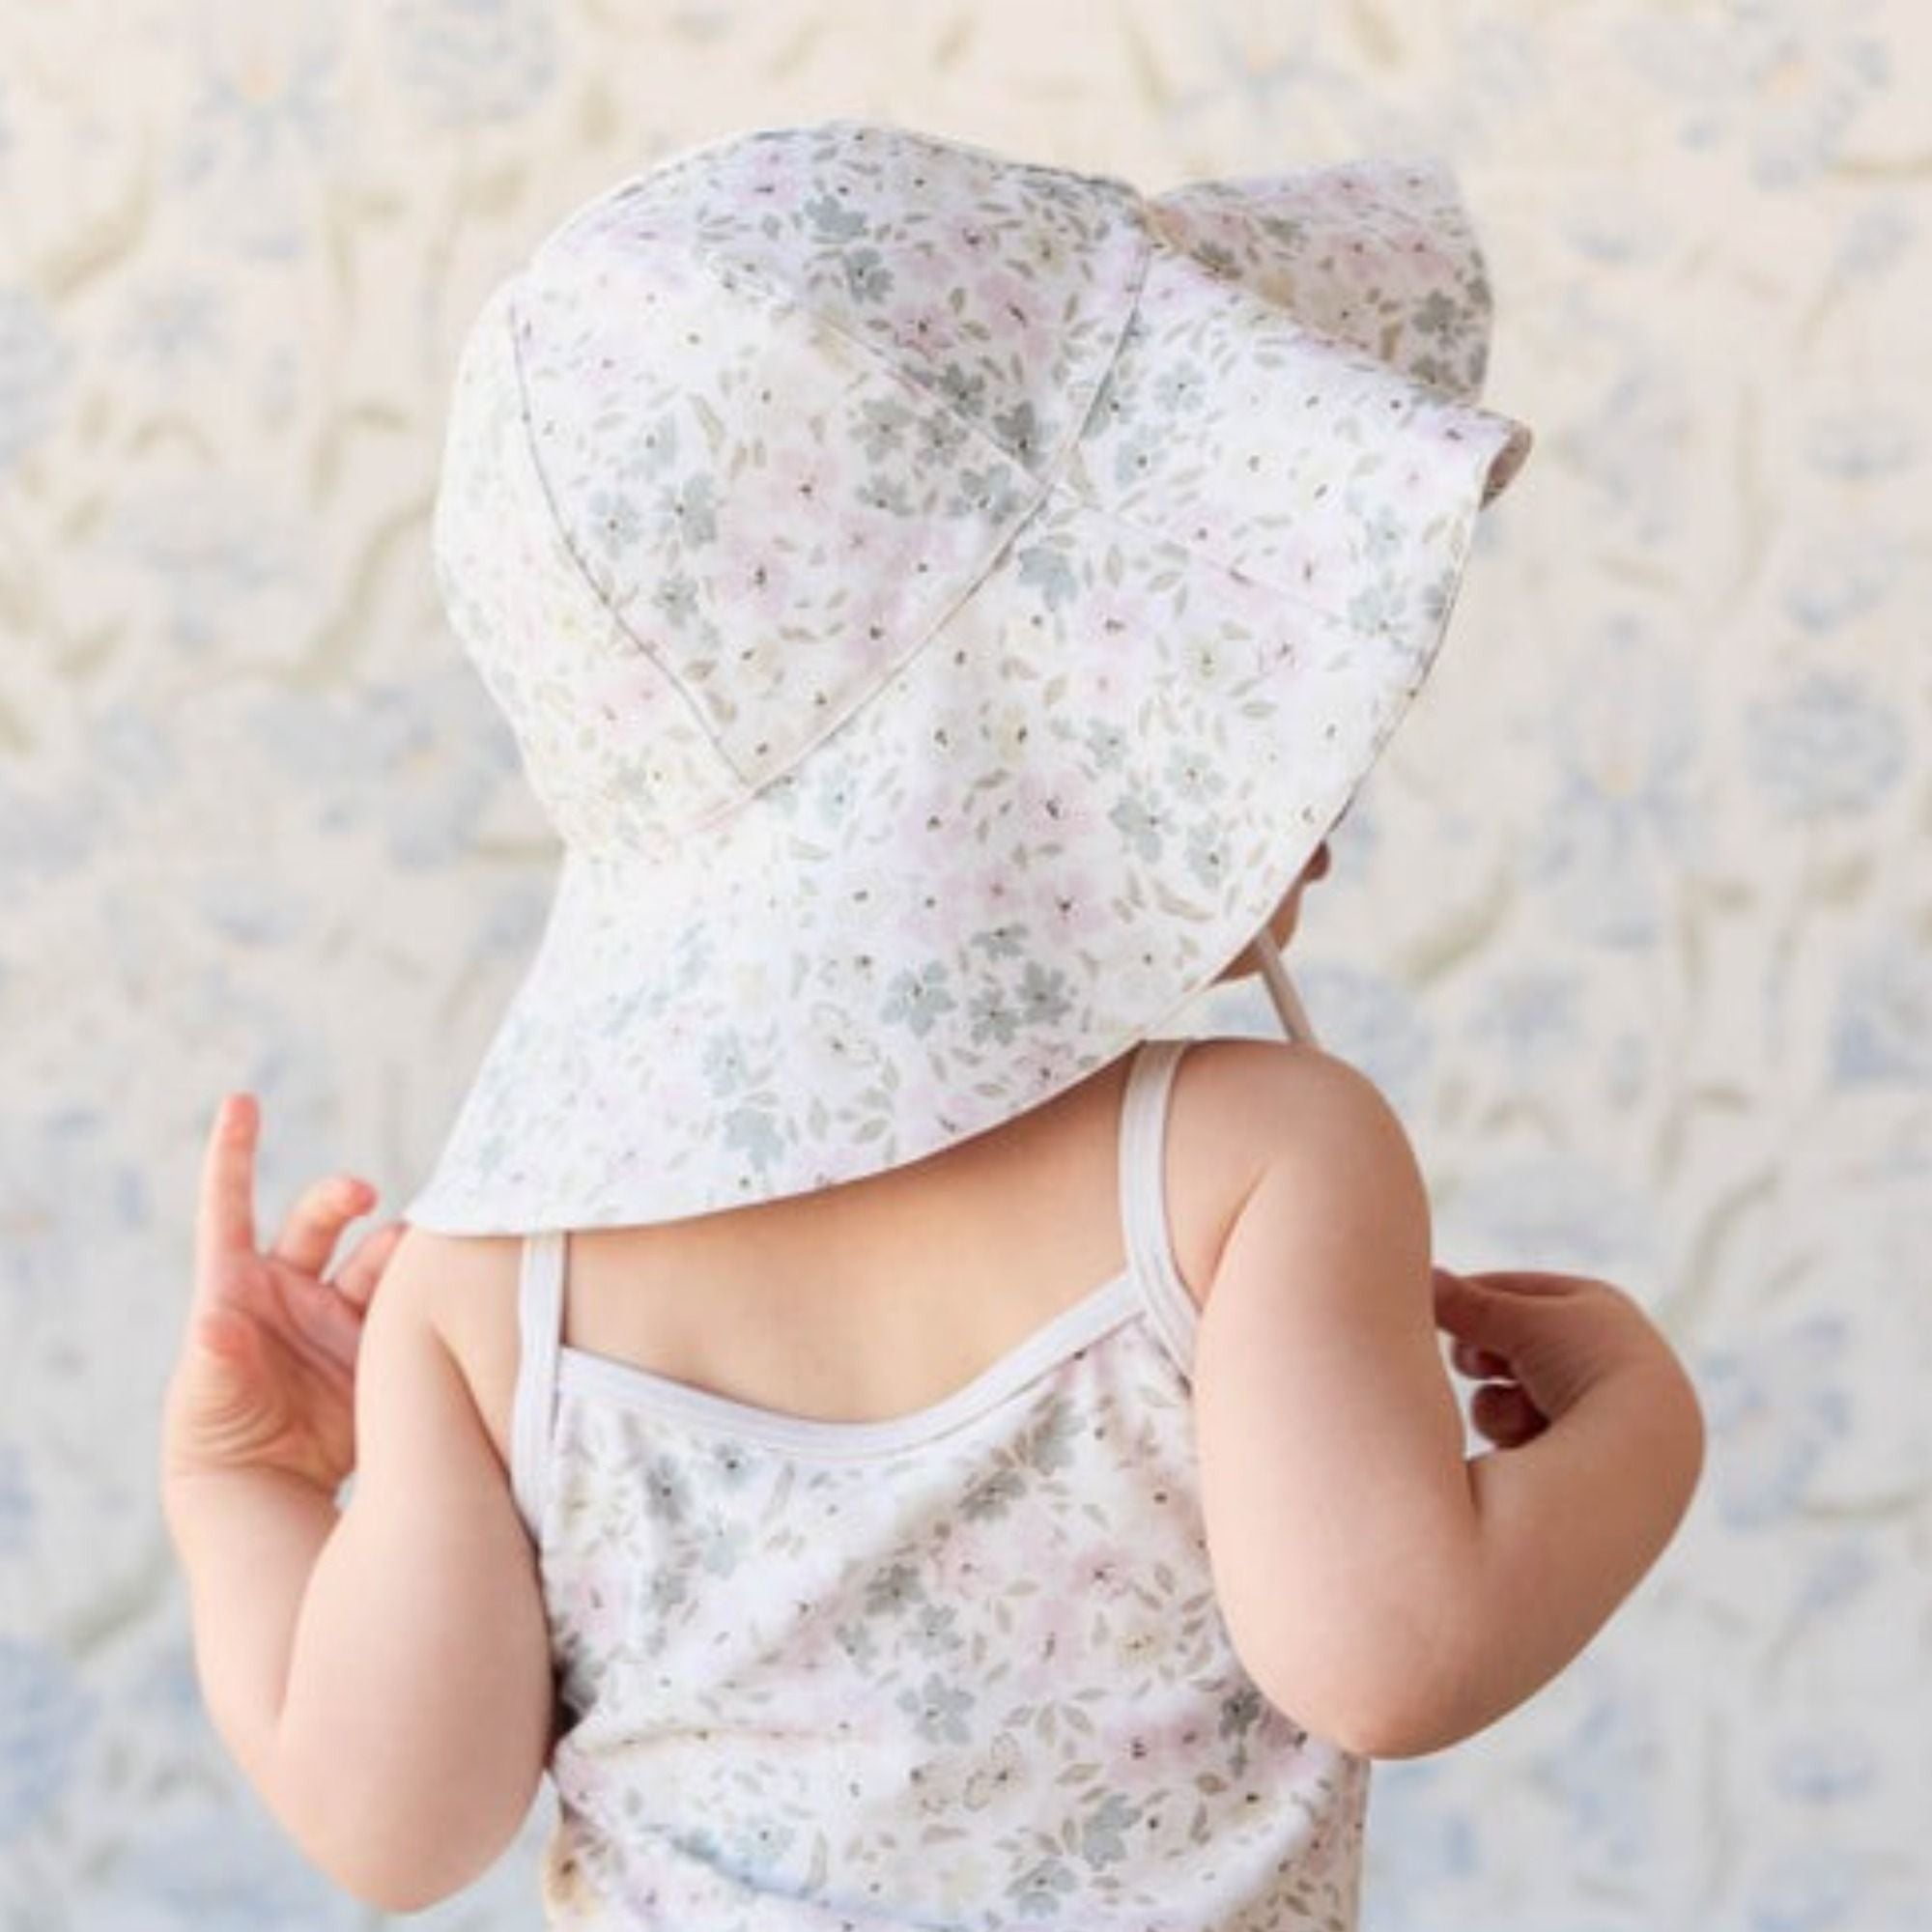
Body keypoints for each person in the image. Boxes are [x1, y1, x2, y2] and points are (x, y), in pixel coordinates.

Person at [160, 120, 1706, 1927]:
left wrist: (248, 1492)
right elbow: (1396, 1652)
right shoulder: (1250, 1166)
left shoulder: (492, 1284)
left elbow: (394, 1829)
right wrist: (1642, 1424)